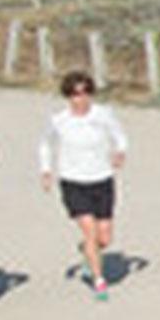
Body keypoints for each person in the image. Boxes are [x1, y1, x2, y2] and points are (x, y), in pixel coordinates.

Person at [38, 70, 127, 299]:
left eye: (86, 92)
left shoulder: (103, 115)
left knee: (104, 237)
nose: (81, 99)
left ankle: (87, 252)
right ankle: (99, 281)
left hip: (102, 178)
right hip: (73, 181)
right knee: (89, 230)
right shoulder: (59, 120)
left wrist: (120, 151)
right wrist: (46, 170)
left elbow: (119, 135)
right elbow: (45, 144)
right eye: (76, 94)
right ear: (68, 97)